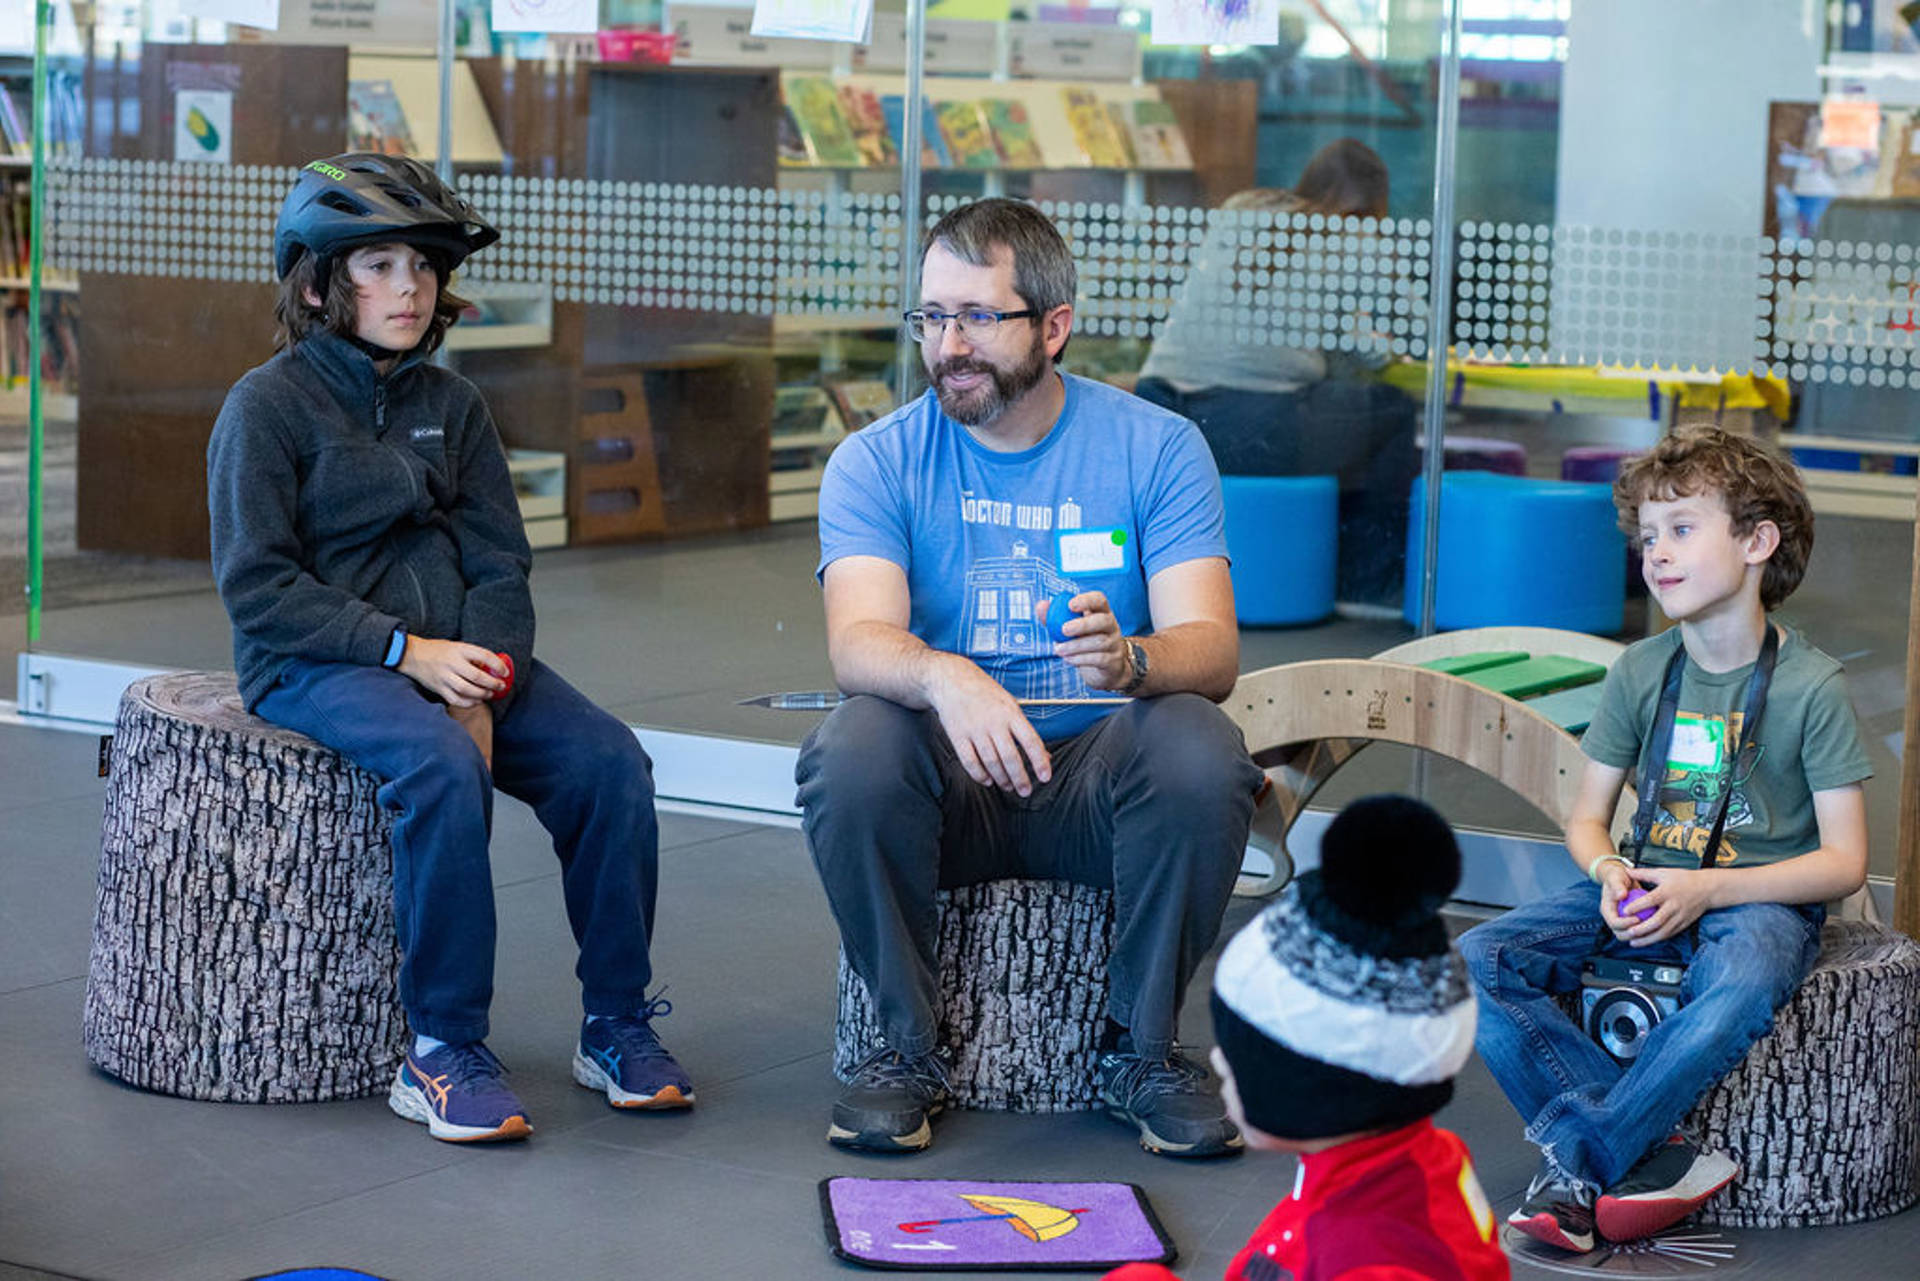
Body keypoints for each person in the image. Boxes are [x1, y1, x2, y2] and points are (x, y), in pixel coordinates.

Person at [208, 153, 692, 1144]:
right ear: (316, 284)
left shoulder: (453, 407)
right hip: (320, 661)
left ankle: (614, 1023)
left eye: (423, 268)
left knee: (611, 765)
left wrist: (487, 673)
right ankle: (442, 1048)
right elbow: (259, 588)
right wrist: (406, 655)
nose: (409, 288)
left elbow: (500, 564)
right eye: (378, 265)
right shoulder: (265, 407)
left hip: (460, 659)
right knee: (435, 769)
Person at [797, 196, 1264, 1159]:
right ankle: (902, 1048)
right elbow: (859, 641)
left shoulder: (1156, 446)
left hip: (1096, 783)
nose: (948, 344)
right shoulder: (875, 461)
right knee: (853, 743)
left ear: (1054, 326)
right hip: (950, 785)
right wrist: (946, 675)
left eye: (978, 316)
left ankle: (1137, 1049)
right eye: (932, 316)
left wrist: (1134, 661)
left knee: (1199, 746)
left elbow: (1210, 650)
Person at [1458, 426, 1871, 1252]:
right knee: (1478, 957)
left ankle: (1581, 1162)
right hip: (1645, 882)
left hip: (1755, 901)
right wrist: (1608, 867)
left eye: (1683, 529)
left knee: (1742, 977)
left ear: (1757, 542)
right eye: (1649, 536)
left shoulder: (1811, 685)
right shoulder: (1640, 671)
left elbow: (1844, 861)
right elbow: (1585, 817)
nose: (1658, 553)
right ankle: (1653, 1152)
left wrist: (1709, 889)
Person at [1102, 796, 1509, 1281]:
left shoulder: (1373, 1260)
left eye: (1242, 1057)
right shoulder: (1414, 1158)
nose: (1218, 1061)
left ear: (1309, 1088)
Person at [1134, 139, 1417, 607]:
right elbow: (1396, 335)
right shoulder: (1350, 236)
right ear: (1372, 202)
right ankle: (1365, 581)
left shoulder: (1244, 206)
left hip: (1160, 404)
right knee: (1395, 413)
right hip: (1248, 422)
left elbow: (1283, 314)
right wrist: (1380, 347)